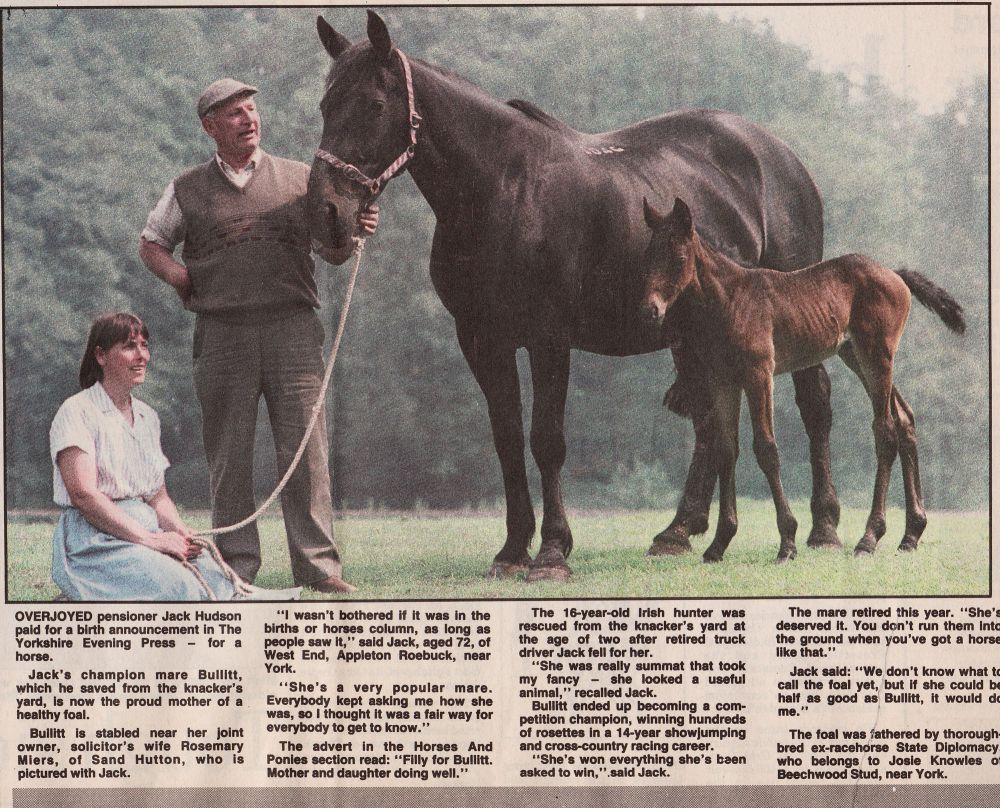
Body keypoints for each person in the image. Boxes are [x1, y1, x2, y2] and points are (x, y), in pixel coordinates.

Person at [139, 79, 377, 594]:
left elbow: (333, 251)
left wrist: (355, 227)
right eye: (234, 114)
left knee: (307, 453)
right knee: (230, 455)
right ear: (210, 128)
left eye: (251, 110)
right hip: (222, 335)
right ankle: (236, 570)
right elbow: (152, 242)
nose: (248, 119)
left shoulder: (300, 179)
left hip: (294, 332)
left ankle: (318, 571)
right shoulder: (187, 188)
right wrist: (181, 279)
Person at [50, 312, 300, 601]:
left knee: (212, 574)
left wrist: (182, 533)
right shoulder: (77, 411)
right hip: (95, 538)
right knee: (179, 587)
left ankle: (247, 600)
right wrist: (153, 540)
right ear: (101, 356)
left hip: (144, 528)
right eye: (130, 346)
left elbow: (158, 497)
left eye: (145, 346)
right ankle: (80, 595)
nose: (142, 356)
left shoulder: (147, 417)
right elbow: (83, 496)